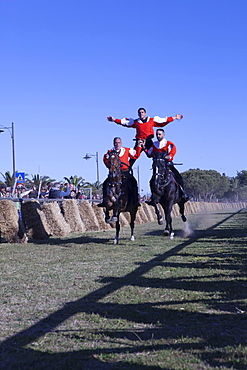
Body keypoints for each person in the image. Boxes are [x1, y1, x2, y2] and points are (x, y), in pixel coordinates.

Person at [107, 107, 183, 151]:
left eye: (142, 112)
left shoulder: (151, 120)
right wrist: (114, 120)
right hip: (139, 141)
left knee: (155, 155)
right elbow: (124, 122)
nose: (141, 114)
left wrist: (175, 117)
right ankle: (126, 172)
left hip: (148, 141)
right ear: (138, 114)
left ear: (145, 113)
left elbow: (164, 120)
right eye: (139, 113)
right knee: (133, 156)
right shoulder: (136, 122)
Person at [144, 128, 189, 202]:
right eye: (157, 134)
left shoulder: (168, 143)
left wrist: (169, 156)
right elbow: (149, 154)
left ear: (163, 135)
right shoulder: (154, 144)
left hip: (167, 165)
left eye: (159, 134)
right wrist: (144, 147)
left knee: (178, 176)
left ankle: (183, 193)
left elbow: (173, 150)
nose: (158, 136)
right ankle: (153, 196)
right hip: (158, 166)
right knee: (152, 180)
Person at [98, 137, 142, 207]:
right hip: (115, 172)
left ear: (121, 143)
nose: (117, 144)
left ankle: (135, 201)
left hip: (125, 171)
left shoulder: (127, 150)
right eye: (116, 143)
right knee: (105, 183)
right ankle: (104, 201)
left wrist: (139, 146)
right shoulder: (110, 152)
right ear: (113, 143)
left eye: (118, 143)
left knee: (133, 182)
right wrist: (110, 167)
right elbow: (105, 159)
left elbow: (135, 155)